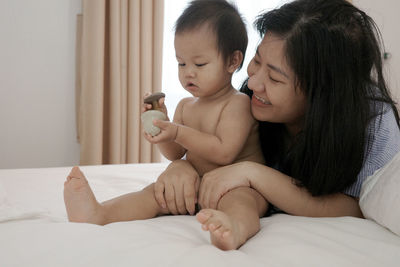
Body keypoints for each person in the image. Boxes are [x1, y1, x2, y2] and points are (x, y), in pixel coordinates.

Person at [194, 0, 400, 249]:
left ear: (322, 94)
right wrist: (182, 169)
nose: (253, 83)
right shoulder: (247, 101)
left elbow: (355, 205)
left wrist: (254, 173)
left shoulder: (374, 124)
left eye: (274, 78)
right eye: (257, 60)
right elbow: (213, 156)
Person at [64, 0, 267, 251]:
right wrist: (163, 130)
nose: (188, 72)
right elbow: (175, 154)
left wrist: (179, 131)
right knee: (153, 193)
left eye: (199, 64)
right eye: (181, 63)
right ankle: (100, 213)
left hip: (236, 185)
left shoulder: (237, 104)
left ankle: (233, 229)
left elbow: (224, 152)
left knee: (242, 202)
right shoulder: (185, 105)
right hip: (196, 188)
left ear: (232, 61)